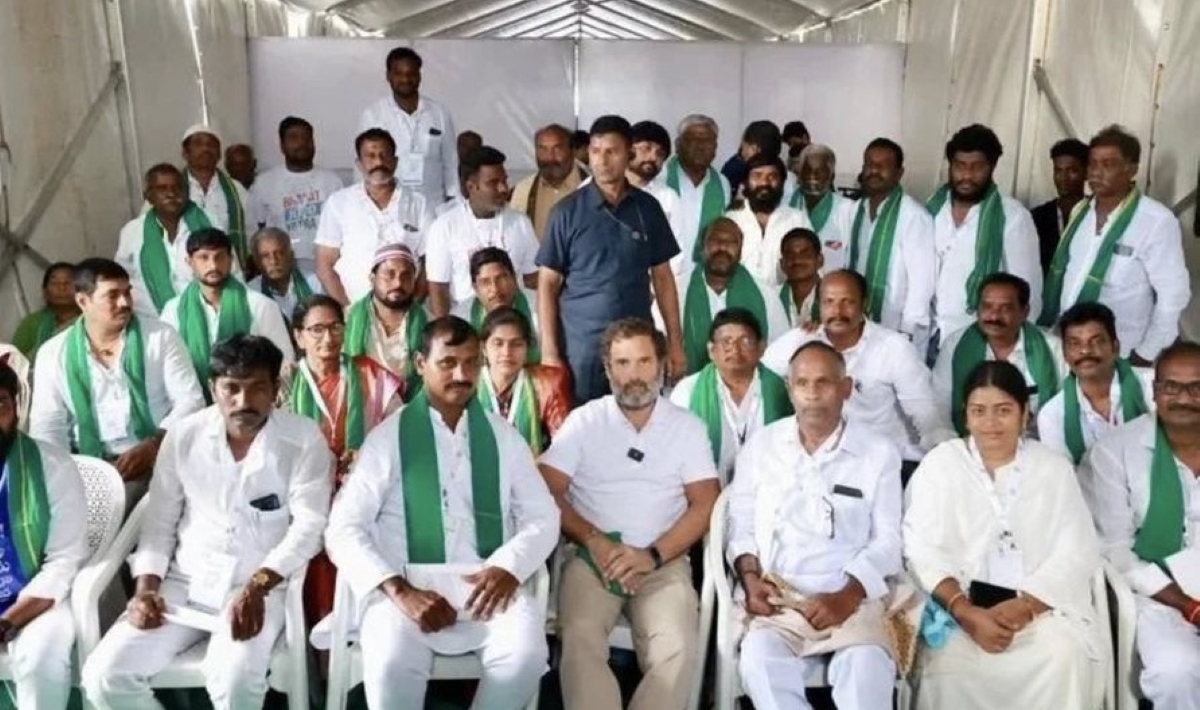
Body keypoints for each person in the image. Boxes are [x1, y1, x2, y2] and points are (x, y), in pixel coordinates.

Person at [81, 335, 333, 710]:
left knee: (233, 679)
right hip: (184, 584)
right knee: (104, 675)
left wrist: (258, 586)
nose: (243, 402)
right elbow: (159, 522)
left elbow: (309, 527)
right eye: (231, 388)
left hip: (261, 586)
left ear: (276, 389)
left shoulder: (302, 439)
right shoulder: (184, 436)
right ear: (212, 387)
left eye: (257, 389)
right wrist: (145, 590)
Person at [324, 316, 559, 709]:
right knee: (390, 661)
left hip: (485, 587)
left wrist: (508, 568)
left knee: (526, 655)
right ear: (420, 364)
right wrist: (398, 590)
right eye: (448, 363)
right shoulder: (388, 439)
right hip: (406, 589)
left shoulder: (504, 437)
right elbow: (343, 528)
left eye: (471, 362)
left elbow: (544, 517)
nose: (461, 374)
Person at [539, 318, 720, 710]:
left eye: (643, 362)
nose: (633, 375)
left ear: (661, 365)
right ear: (607, 371)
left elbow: (706, 502)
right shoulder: (585, 421)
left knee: (678, 649)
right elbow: (546, 489)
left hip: (663, 562)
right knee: (581, 641)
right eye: (622, 364)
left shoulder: (686, 427)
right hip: (592, 560)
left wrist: (652, 554)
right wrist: (594, 540)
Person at [904, 360, 1102, 710]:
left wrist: (1026, 605)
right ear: (965, 416)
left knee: (1062, 654)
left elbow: (1076, 549)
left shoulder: (1052, 468)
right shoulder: (939, 464)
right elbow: (920, 549)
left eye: (1003, 410)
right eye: (979, 411)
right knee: (946, 664)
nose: (991, 423)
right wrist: (966, 612)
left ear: (1025, 414)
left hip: (1040, 610)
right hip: (959, 612)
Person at [729, 340, 903, 710]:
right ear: (789, 390)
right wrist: (750, 580)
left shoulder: (879, 452)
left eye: (823, 383)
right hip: (779, 597)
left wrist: (848, 594)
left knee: (866, 671)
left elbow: (889, 541)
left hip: (852, 598)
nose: (811, 395)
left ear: (846, 389)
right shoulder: (763, 445)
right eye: (802, 383)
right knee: (760, 663)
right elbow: (740, 523)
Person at [1081, 341, 1200, 710]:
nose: (1183, 398)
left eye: (1197, 387)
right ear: (1155, 391)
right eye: (1171, 387)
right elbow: (1115, 550)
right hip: (1160, 595)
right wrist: (1188, 605)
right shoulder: (1115, 451)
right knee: (1175, 670)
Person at [536, 115, 686, 405]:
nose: (602, 160)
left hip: (636, 347)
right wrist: (550, 352)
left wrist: (675, 344)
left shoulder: (648, 208)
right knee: (583, 429)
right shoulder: (566, 212)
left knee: (637, 423)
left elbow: (664, 279)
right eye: (595, 151)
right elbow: (547, 284)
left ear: (629, 154)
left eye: (611, 151)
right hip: (582, 348)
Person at [30, 258, 204, 504]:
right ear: (82, 301)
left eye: (127, 293)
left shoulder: (160, 337)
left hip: (161, 456)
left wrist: (154, 444)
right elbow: (48, 425)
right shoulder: (53, 353)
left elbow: (191, 401)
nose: (124, 303)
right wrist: (63, 479)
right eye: (112, 295)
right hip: (88, 469)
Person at [764, 270, 954, 470]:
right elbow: (759, 376)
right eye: (828, 302)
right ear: (818, 306)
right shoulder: (802, 340)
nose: (837, 311)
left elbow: (925, 413)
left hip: (888, 460)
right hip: (823, 460)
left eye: (847, 302)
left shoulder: (893, 347)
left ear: (864, 304)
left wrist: (945, 460)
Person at [287, 295, 402, 626]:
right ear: (299, 336)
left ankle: (364, 634)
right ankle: (318, 652)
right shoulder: (284, 380)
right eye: (317, 329)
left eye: (336, 328)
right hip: (303, 491)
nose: (328, 338)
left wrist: (368, 453)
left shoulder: (370, 375)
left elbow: (399, 430)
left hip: (363, 489)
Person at [1038, 125, 1190, 366]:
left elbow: (1173, 295)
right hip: (1067, 347)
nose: (1096, 173)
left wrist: (1146, 353)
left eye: (1107, 164)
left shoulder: (1155, 221)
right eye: (1092, 164)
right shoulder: (1081, 212)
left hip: (1123, 353)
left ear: (1131, 169)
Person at [0, 359, 89, 710]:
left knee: (41, 657)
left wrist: (7, 622)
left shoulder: (52, 466)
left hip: (39, 599)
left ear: (16, 407)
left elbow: (64, 560)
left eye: (0, 405)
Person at [929, 124, 1042, 344]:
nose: (967, 175)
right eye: (960, 166)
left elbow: (1029, 291)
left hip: (979, 336)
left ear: (992, 167)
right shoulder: (932, 209)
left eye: (977, 167)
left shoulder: (1013, 216)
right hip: (930, 332)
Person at [160, 228, 296, 399]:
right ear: (189, 262)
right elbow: (167, 370)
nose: (213, 265)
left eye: (219, 257)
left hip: (253, 407)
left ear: (231, 260)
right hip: (195, 411)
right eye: (204, 258)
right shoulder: (173, 311)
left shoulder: (260, 306)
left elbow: (284, 365)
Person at [933, 273, 1066, 435]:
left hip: (1035, 448)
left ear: (1024, 312)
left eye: (1005, 308)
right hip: (970, 447)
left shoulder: (1053, 349)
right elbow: (939, 406)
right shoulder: (954, 345)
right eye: (987, 307)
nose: (994, 316)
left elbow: (1064, 412)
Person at [670, 307, 792, 482]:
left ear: (761, 347)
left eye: (745, 341)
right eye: (726, 342)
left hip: (769, 492)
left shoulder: (783, 391)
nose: (735, 349)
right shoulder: (687, 391)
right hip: (708, 494)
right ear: (711, 351)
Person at [314, 128, 435, 304]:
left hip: (406, 309)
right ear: (359, 164)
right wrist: (348, 311)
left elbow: (431, 263)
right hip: (353, 308)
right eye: (370, 156)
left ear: (395, 161)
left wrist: (413, 307)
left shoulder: (419, 204)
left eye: (384, 155)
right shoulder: (338, 203)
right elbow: (324, 266)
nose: (379, 161)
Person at [426, 145, 539, 317]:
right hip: (466, 321)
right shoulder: (444, 227)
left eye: (504, 180)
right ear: (472, 187)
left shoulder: (520, 222)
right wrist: (448, 332)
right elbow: (438, 289)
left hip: (514, 319)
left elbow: (533, 278)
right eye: (493, 183)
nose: (503, 188)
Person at [665, 217, 789, 374]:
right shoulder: (676, 291)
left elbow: (781, 352)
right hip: (688, 389)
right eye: (715, 240)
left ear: (741, 250)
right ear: (702, 247)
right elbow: (657, 343)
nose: (722, 246)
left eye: (731, 242)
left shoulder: (765, 294)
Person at [116, 163, 239, 319]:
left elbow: (233, 270)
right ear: (148, 196)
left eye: (177, 187)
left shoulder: (209, 221)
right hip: (155, 324)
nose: (171, 193)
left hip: (211, 318)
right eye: (162, 188)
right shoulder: (132, 232)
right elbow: (122, 281)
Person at [1037, 301, 1152, 463]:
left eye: (1096, 341)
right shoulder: (1053, 415)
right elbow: (1065, 477)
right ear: (1064, 353)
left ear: (1115, 347)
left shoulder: (1152, 387)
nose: (1085, 351)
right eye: (1075, 344)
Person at [849, 138, 936, 352]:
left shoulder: (913, 216)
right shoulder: (856, 211)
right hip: (859, 326)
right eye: (869, 164)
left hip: (898, 330)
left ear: (899, 173)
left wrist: (907, 333)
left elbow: (922, 283)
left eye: (882, 165)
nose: (874, 170)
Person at [358, 47, 459, 207]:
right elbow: (364, 163)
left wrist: (453, 200)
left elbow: (451, 161)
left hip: (433, 204)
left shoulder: (439, 113)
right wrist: (365, 202)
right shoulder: (373, 114)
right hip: (390, 205)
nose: (405, 79)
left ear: (419, 76)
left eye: (411, 73)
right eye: (399, 73)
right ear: (388, 76)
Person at [248, 116, 345, 272]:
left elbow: (342, 229)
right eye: (294, 138)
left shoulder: (332, 181)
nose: (302, 143)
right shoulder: (264, 183)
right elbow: (256, 228)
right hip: (281, 267)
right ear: (282, 145)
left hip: (325, 265)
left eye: (307, 138)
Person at [477, 307, 570, 453]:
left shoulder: (546, 384)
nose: (507, 352)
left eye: (516, 344)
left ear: (527, 348)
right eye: (498, 343)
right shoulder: (468, 385)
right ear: (483, 348)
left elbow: (564, 445)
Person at [342, 243, 426, 394]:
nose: (398, 283)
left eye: (406, 276)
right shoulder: (347, 320)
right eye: (389, 274)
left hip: (411, 406)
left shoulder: (428, 323)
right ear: (372, 278)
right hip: (361, 403)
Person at [724, 153, 811, 287]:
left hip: (782, 304)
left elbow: (811, 267)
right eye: (757, 176)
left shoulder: (797, 220)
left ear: (782, 183)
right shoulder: (730, 220)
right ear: (745, 182)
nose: (764, 182)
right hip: (739, 301)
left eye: (772, 177)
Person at [662, 115, 732, 275]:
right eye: (693, 140)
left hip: (703, 278)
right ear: (678, 144)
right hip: (664, 277)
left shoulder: (722, 183)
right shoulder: (661, 178)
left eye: (708, 141)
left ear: (715, 147)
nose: (701, 147)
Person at [180, 125, 252, 271]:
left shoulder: (236, 189)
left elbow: (251, 231)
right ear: (185, 153)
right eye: (198, 143)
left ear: (219, 154)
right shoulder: (172, 188)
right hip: (184, 273)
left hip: (230, 272)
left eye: (211, 144)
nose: (205, 149)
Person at [509, 124, 588, 241]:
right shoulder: (523, 190)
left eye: (557, 149)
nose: (550, 157)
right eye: (543, 149)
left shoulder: (593, 186)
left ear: (572, 151)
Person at [787, 144, 856, 272]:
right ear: (800, 174)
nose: (813, 176)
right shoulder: (787, 206)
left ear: (832, 176)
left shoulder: (848, 210)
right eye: (808, 170)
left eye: (820, 170)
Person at [452, 248, 539, 344]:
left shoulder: (539, 306)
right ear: (475, 288)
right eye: (485, 282)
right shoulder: (460, 320)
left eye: (501, 279)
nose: (495, 289)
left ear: (514, 279)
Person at [1030, 138, 1088, 273]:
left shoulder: (1097, 215)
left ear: (1086, 173)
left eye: (1071, 170)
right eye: (1058, 170)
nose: (1063, 177)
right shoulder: (1038, 217)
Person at [246, 227, 324, 327]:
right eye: (265, 256)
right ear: (257, 262)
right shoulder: (251, 292)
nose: (273, 261)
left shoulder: (314, 282)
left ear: (291, 255)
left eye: (279, 253)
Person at [627, 120, 685, 249]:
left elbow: (676, 250)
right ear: (628, 148)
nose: (653, 157)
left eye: (660, 153)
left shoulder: (668, 198)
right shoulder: (598, 188)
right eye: (647, 148)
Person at [10, 261, 78, 359]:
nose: (62, 287)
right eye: (55, 283)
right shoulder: (33, 323)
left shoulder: (92, 321)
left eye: (68, 282)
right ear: (45, 292)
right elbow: (14, 361)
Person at [721, 120, 783, 199]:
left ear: (756, 148)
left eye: (744, 144)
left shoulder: (736, 168)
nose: (742, 151)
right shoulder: (735, 166)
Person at [778, 228, 823, 329]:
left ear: (820, 260)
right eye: (790, 255)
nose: (797, 260)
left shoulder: (833, 298)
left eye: (805, 254)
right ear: (782, 264)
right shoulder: (772, 297)